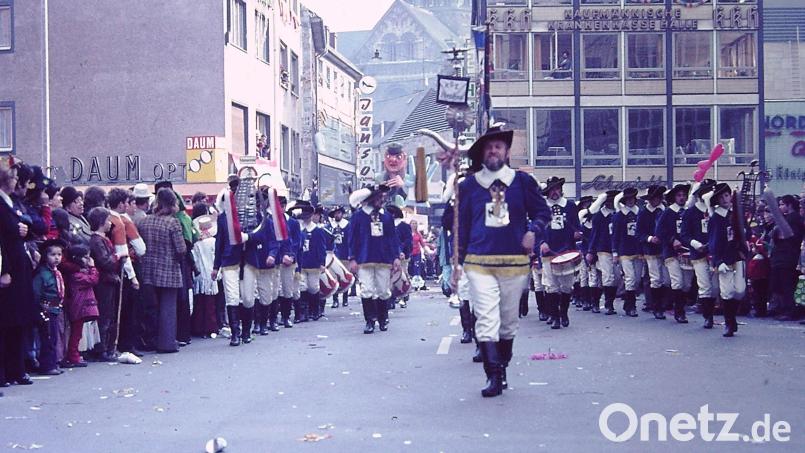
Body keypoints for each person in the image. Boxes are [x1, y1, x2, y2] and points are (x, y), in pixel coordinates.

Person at [454, 125, 550, 398]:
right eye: (488, 146)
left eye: (498, 146)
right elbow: (460, 227)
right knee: (485, 319)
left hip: (514, 263)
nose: (493, 150)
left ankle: (503, 366)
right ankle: (492, 376)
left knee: (508, 322)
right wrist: (458, 264)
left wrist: (533, 231)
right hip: (478, 262)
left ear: (507, 151)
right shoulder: (468, 186)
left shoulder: (522, 182)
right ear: (481, 153)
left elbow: (542, 212)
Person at [0, 157, 39, 387]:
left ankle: (17, 369)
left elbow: (30, 225)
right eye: (14, 177)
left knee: (18, 321)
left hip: (21, 265)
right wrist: (4, 270)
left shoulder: (12, 201)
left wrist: (25, 229)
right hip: (9, 267)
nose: (17, 181)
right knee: (5, 322)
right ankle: (4, 372)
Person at [138, 188, 187, 352]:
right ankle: (166, 343)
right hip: (168, 270)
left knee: (150, 308)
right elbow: (181, 249)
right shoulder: (173, 222)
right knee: (168, 308)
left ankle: (149, 340)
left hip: (147, 270)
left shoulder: (144, 221)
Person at [348, 184, 402, 334]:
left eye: (383, 198)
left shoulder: (387, 217)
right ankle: (369, 321)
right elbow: (352, 239)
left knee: (383, 291)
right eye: (379, 197)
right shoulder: (358, 216)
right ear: (370, 199)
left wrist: (396, 257)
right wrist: (352, 259)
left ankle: (383, 319)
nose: (382, 200)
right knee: (366, 290)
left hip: (384, 259)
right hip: (364, 259)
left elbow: (393, 239)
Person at [705, 183, 748, 337]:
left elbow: (745, 233)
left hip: (738, 256)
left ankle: (732, 317)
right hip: (724, 259)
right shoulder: (716, 218)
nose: (725, 199)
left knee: (740, 291)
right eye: (721, 196)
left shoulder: (736, 214)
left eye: (727, 195)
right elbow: (713, 242)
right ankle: (729, 323)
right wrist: (718, 261)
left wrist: (745, 241)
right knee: (727, 292)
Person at [538, 177, 581, 329]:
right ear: (547, 192)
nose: (554, 193)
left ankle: (564, 313)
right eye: (551, 190)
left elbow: (577, 226)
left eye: (557, 189)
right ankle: (555, 316)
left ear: (561, 190)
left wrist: (577, 233)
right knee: (551, 286)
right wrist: (541, 242)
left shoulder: (569, 206)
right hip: (549, 251)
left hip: (567, 250)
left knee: (567, 286)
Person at [243, 190, 281, 335]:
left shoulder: (268, 222)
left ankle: (264, 323)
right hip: (251, 261)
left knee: (265, 295)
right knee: (250, 295)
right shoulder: (245, 222)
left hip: (265, 262)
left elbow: (274, 241)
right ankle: (256, 323)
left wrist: (272, 255)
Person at [681, 179, 718, 328]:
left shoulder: (716, 211)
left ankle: (713, 310)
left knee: (716, 287)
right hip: (699, 253)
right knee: (704, 286)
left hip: (715, 253)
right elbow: (684, 234)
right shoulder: (690, 212)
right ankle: (707, 317)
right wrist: (696, 245)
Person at [87, 207, 121, 362]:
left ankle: (107, 347)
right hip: (103, 282)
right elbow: (105, 262)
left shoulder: (102, 239)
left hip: (108, 281)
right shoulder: (96, 240)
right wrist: (118, 257)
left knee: (109, 315)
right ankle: (101, 348)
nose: (110, 223)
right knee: (104, 315)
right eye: (107, 220)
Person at [655, 183, 692, 321]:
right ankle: (679, 312)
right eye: (679, 195)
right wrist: (671, 240)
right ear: (674, 197)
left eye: (684, 195)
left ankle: (681, 306)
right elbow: (659, 232)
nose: (682, 198)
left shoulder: (689, 211)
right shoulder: (668, 213)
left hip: (687, 252)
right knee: (677, 281)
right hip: (671, 252)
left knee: (687, 283)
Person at [32, 239, 67, 375]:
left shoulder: (56, 272)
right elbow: (36, 292)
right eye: (53, 255)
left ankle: (53, 363)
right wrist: (40, 309)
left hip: (55, 308)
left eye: (59, 254)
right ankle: (47, 366)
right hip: (45, 309)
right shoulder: (42, 273)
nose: (57, 258)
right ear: (45, 256)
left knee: (54, 337)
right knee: (47, 338)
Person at [62, 245, 99, 368]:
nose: (87, 259)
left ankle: (74, 354)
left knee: (77, 332)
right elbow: (92, 280)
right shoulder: (76, 275)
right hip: (78, 306)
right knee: (76, 333)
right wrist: (93, 267)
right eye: (85, 257)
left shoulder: (78, 272)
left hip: (80, 305)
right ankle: (73, 356)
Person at [769, 195, 804, 320]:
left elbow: (789, 236)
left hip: (787, 256)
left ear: (789, 205)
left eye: (782, 204)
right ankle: (784, 308)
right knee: (781, 284)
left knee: (787, 285)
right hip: (782, 256)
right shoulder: (786, 218)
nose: (780, 207)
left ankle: (790, 311)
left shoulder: (793, 219)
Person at [294, 201, 329, 321]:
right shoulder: (299, 229)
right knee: (302, 286)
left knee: (313, 287)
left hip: (314, 264)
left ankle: (315, 310)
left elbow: (322, 248)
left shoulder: (317, 230)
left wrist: (322, 263)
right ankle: (303, 312)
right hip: (302, 263)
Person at [587, 190, 619, 315]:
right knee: (608, 277)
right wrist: (591, 251)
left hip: (617, 249)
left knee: (615, 277)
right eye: (609, 200)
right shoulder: (599, 216)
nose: (611, 203)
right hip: (603, 248)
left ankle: (600, 301)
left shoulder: (618, 214)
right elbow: (594, 234)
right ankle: (607, 304)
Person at [636, 185, 666, 316]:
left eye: (657, 198)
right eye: (653, 198)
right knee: (654, 278)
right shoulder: (643, 213)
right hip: (650, 249)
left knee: (667, 279)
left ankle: (664, 302)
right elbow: (639, 233)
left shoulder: (666, 211)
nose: (655, 201)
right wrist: (649, 238)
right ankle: (656, 307)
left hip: (665, 248)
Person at [611, 188, 642, 318]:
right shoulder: (618, 216)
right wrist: (614, 252)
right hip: (624, 250)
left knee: (637, 279)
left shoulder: (640, 213)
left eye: (632, 198)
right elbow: (615, 235)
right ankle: (631, 306)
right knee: (630, 278)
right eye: (628, 199)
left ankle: (628, 302)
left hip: (638, 250)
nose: (630, 201)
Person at [191, 215, 220, 338]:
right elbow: (216, 257)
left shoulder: (196, 244)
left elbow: (195, 259)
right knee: (211, 304)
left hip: (199, 275)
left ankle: (199, 328)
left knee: (200, 303)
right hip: (211, 273)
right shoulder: (213, 242)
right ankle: (211, 328)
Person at [276, 196, 302, 328]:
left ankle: (286, 317)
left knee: (287, 289)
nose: (279, 208)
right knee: (275, 290)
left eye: (281, 205)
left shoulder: (293, 223)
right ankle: (273, 318)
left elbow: (297, 242)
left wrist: (291, 256)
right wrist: (280, 256)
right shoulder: (270, 221)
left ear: (285, 206)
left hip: (289, 260)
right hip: (276, 259)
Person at [326, 206, 352, 308]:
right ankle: (335, 299)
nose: (337, 215)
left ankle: (345, 299)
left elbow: (351, 241)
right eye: (335, 213)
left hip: (345, 254)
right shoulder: (329, 227)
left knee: (345, 276)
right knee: (334, 276)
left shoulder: (347, 226)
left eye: (339, 213)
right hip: (333, 255)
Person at [388, 204, 412, 309]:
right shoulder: (387, 225)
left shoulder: (404, 226)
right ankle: (392, 298)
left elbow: (408, 241)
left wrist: (404, 252)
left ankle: (403, 296)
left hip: (402, 255)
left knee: (403, 275)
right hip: (389, 255)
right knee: (390, 277)